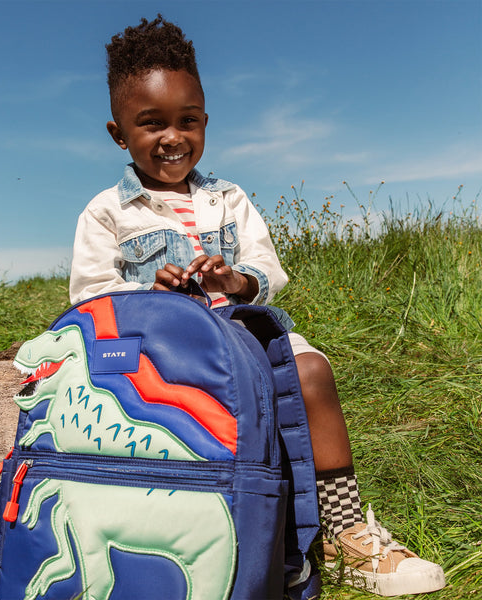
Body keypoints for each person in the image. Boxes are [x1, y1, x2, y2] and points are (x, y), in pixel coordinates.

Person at [69, 15, 445, 597]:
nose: (173, 137)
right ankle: (237, 536)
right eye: (151, 124)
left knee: (311, 370)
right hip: (162, 355)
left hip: (245, 335)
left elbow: (270, 272)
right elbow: (89, 298)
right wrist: (150, 300)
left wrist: (239, 281)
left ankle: (343, 531)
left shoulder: (229, 200)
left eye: (188, 121)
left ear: (205, 122)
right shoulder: (107, 213)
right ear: (120, 134)